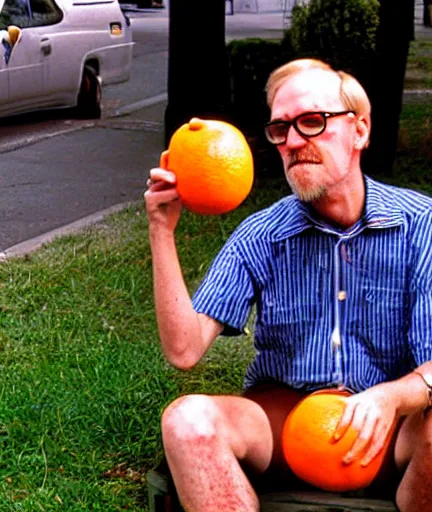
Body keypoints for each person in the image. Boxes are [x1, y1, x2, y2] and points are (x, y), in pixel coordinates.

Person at [144, 58, 432, 512]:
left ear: (359, 131)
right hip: (282, 423)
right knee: (187, 421)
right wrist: (162, 231)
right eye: (281, 129)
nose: (294, 141)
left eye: (313, 122)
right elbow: (184, 351)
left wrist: (392, 396)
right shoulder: (261, 234)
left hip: (392, 427)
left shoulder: (421, 226)